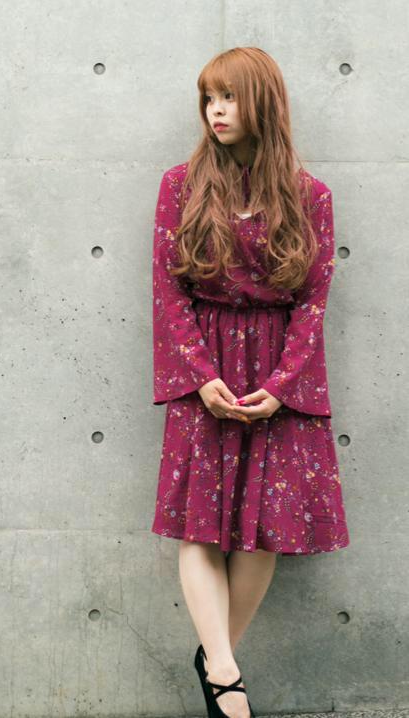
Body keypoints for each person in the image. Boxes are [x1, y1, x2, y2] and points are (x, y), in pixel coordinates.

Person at [150, 47, 350, 718]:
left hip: (277, 373)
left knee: (268, 528)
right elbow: (168, 291)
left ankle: (215, 661)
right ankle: (227, 676)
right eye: (209, 98)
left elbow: (313, 302)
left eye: (230, 97)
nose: (216, 111)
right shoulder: (180, 186)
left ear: (263, 103)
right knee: (200, 526)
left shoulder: (310, 196)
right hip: (203, 367)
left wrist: (283, 385)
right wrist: (200, 376)